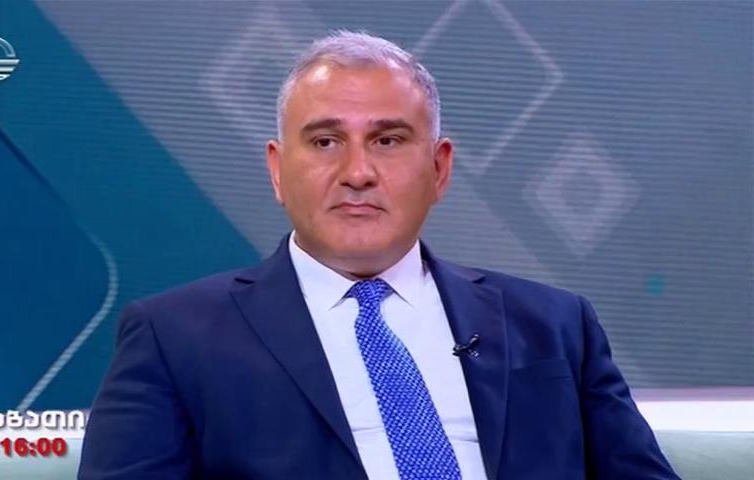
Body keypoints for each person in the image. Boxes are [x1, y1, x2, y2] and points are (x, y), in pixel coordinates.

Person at [78, 31, 679, 480]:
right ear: (277, 170)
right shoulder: (174, 338)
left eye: (388, 140)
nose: (358, 172)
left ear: (439, 168)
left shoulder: (555, 326)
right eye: (325, 141)